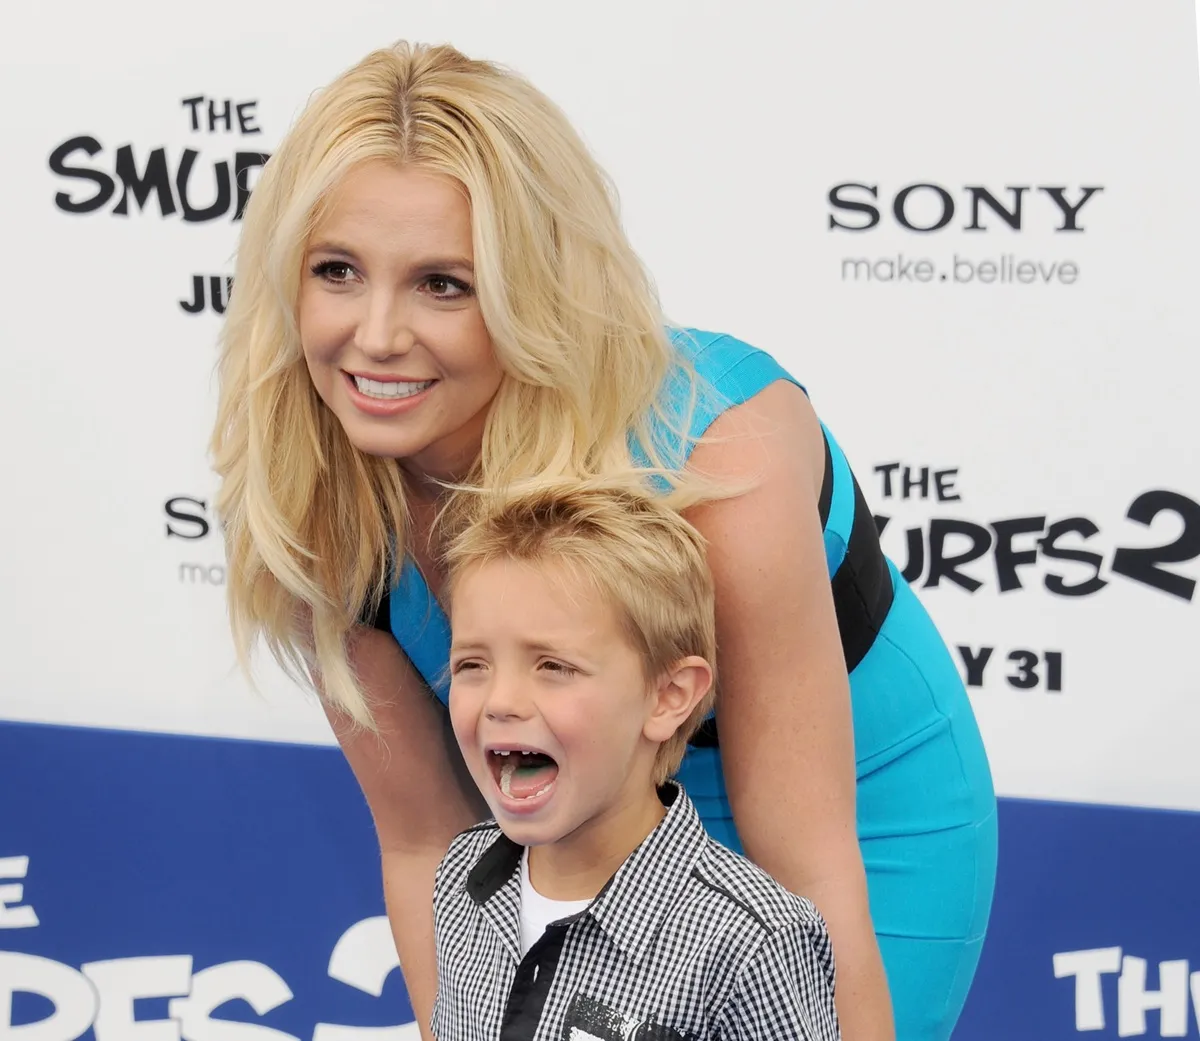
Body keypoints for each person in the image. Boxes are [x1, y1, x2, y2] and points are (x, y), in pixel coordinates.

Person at [210, 39, 997, 1041]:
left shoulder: (718, 457)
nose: (375, 335)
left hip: (854, 828)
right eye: (337, 271)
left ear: (530, 286)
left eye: (443, 284)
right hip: (569, 825)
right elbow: (430, 848)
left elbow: (807, 861)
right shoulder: (309, 499)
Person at [430, 480, 840, 1041]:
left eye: (553, 666)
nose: (500, 701)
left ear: (668, 696)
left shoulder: (751, 943)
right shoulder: (462, 875)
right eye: (473, 664)